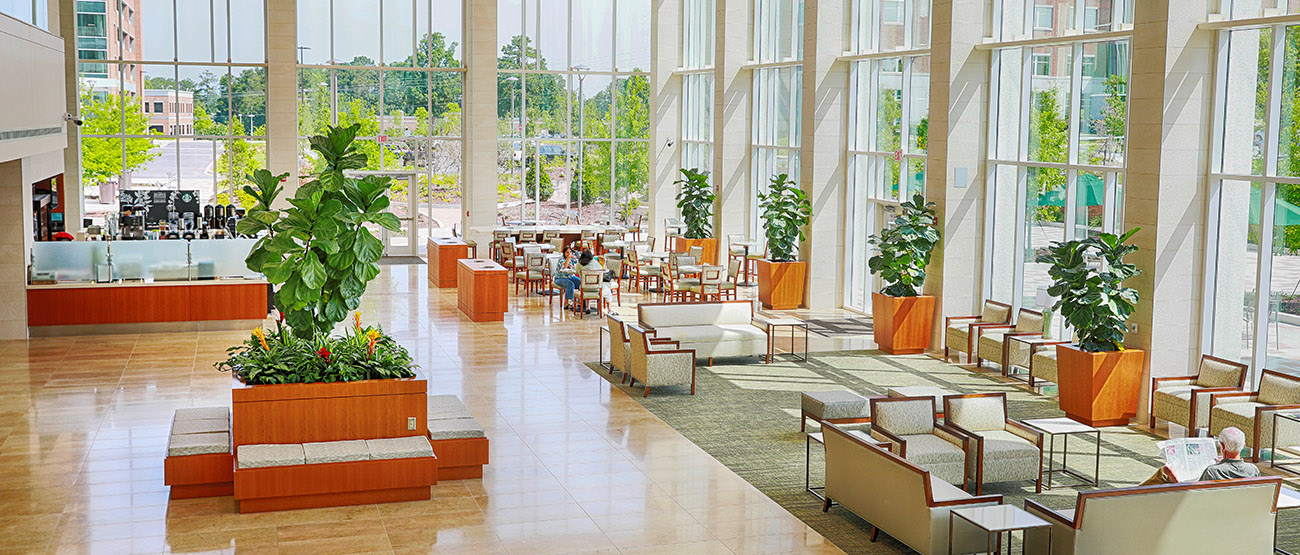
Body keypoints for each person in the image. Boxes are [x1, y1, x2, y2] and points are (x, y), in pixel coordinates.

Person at [1139, 427, 1260, 485]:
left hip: (1206, 511)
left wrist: (1174, 480)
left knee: (1164, 473)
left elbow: (1193, 497)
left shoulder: (1213, 471)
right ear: (1243, 446)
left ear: (1222, 446)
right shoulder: (1253, 470)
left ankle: (1130, 494)